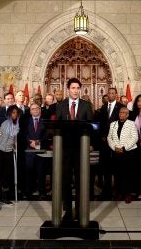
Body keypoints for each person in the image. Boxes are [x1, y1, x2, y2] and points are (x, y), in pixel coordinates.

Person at [55, 78, 93, 220]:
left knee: (80, 180)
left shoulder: (86, 105)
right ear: (68, 89)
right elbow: (56, 126)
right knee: (65, 180)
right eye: (73, 88)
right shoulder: (61, 105)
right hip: (64, 148)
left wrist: (90, 143)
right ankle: (68, 211)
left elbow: (91, 126)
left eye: (78, 88)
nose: (76, 90)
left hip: (81, 148)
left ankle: (79, 209)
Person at [0, 105, 21, 210]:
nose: (14, 114)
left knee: (7, 174)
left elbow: (14, 137)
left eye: (16, 113)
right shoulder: (2, 120)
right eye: (13, 112)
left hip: (9, 151)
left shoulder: (16, 124)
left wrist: (14, 145)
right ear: (9, 113)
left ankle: (4, 197)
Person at [107, 107, 138, 203]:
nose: (121, 114)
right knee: (117, 173)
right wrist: (114, 148)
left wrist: (124, 148)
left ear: (127, 115)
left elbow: (135, 137)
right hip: (116, 152)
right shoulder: (113, 124)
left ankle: (127, 194)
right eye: (120, 112)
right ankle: (119, 193)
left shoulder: (131, 123)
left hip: (128, 152)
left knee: (128, 174)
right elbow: (109, 138)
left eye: (124, 112)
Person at [98, 87, 123, 200]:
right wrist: (103, 136)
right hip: (104, 143)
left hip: (116, 141)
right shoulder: (103, 107)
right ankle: (106, 190)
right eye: (109, 93)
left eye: (113, 93)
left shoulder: (121, 107)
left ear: (116, 95)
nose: (111, 95)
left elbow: (123, 124)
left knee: (117, 167)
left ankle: (117, 190)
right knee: (105, 167)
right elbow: (101, 124)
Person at [26, 103, 48, 198]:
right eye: (33, 109)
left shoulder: (45, 121)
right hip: (29, 150)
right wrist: (30, 142)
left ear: (40, 110)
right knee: (29, 171)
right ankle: (29, 191)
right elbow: (23, 133)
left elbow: (47, 135)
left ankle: (42, 191)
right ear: (30, 111)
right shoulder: (26, 121)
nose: (35, 110)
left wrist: (38, 143)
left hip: (41, 150)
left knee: (41, 172)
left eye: (37, 108)